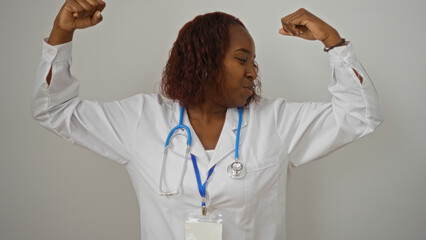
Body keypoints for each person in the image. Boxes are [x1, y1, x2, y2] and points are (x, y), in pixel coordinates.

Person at [31, 0, 384, 239]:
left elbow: (360, 115)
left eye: (254, 62)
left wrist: (333, 42)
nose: (253, 72)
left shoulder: (276, 122)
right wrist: (62, 33)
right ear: (205, 61)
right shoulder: (142, 120)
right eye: (242, 59)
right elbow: (54, 110)